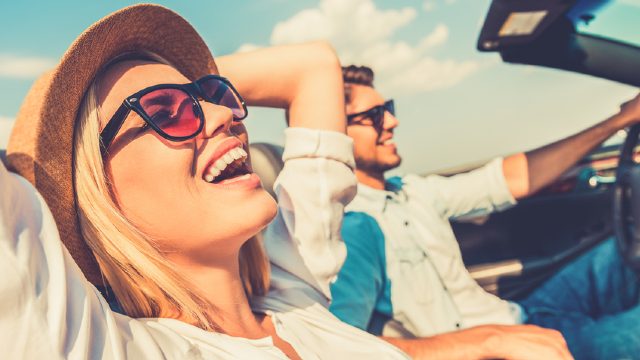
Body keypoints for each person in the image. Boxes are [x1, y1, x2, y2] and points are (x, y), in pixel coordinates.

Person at [0, 6, 409, 359]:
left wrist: (185, 86)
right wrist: (62, 114)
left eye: (214, 94)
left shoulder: (293, 287)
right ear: (99, 192)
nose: (222, 115)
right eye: (165, 112)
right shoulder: (109, 346)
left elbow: (314, 66)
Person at [328, 65, 640, 360]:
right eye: (373, 116)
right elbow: (344, 347)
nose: (392, 122)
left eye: (388, 109)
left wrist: (617, 122)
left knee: (619, 249)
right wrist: (489, 342)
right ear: (333, 134)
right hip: (503, 351)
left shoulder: (412, 191)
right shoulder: (352, 228)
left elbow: (512, 178)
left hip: (523, 314)